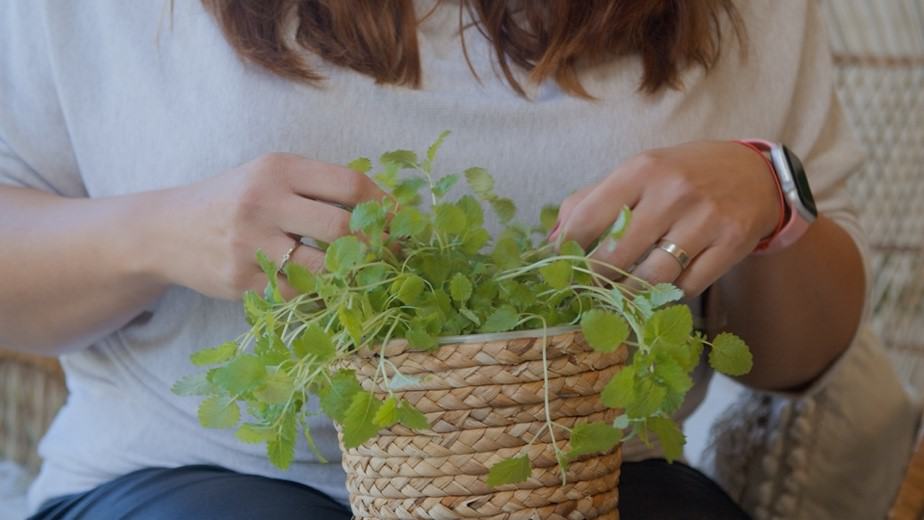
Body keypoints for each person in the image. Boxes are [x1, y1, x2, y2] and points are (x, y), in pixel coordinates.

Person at [0, 1, 872, 518]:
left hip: (587, 478)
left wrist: (768, 198)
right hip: (193, 480)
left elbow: (806, 361)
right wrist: (156, 231)